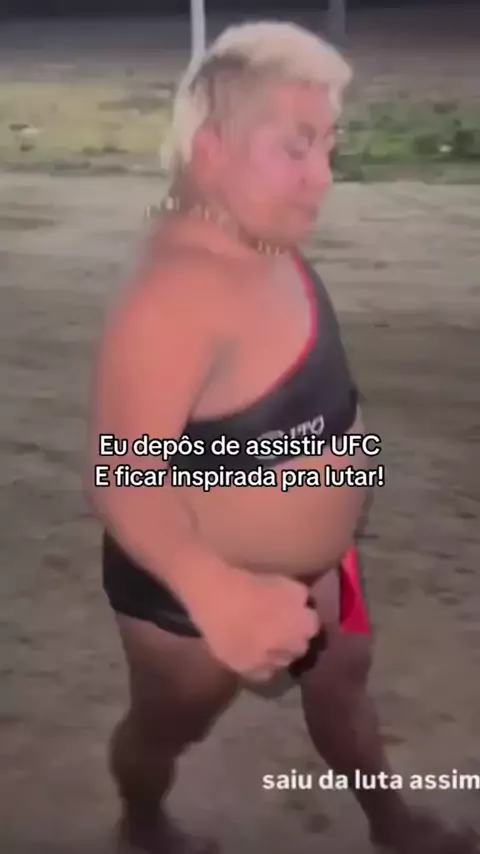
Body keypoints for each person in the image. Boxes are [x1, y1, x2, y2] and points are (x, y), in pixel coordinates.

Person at [87, 21, 478, 854]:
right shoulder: (175, 292)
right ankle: (142, 822)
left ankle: (392, 823)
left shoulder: (262, 237)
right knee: (167, 730)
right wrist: (215, 590)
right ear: (211, 151)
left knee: (344, 691)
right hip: (192, 601)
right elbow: (122, 473)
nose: (322, 175)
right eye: (295, 147)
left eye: (328, 145)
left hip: (327, 569)